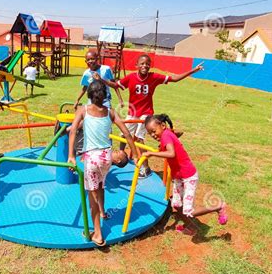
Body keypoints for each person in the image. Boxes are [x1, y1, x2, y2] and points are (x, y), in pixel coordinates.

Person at [68, 80, 138, 247]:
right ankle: (102, 211)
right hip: (106, 157)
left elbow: (72, 131)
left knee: (92, 195)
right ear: (106, 95)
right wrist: (134, 154)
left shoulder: (83, 109)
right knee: (100, 185)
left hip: (92, 159)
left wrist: (71, 155)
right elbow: (127, 134)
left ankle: (98, 234)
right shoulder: (111, 112)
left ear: (89, 96)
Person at [117, 54, 204, 178]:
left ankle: (145, 168)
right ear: (136, 65)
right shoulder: (131, 77)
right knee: (124, 133)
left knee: (139, 138)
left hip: (145, 114)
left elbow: (174, 78)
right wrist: (101, 80)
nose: (144, 66)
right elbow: (116, 85)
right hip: (132, 112)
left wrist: (194, 70)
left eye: (147, 64)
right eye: (142, 63)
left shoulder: (154, 77)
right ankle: (121, 156)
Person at [143, 114, 228, 235]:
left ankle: (218, 207)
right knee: (176, 204)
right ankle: (190, 227)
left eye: (153, 131)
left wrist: (151, 153)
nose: (153, 135)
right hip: (179, 177)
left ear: (162, 125)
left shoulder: (166, 136)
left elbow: (171, 153)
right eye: (149, 133)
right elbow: (172, 141)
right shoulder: (166, 134)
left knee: (189, 211)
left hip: (188, 176)